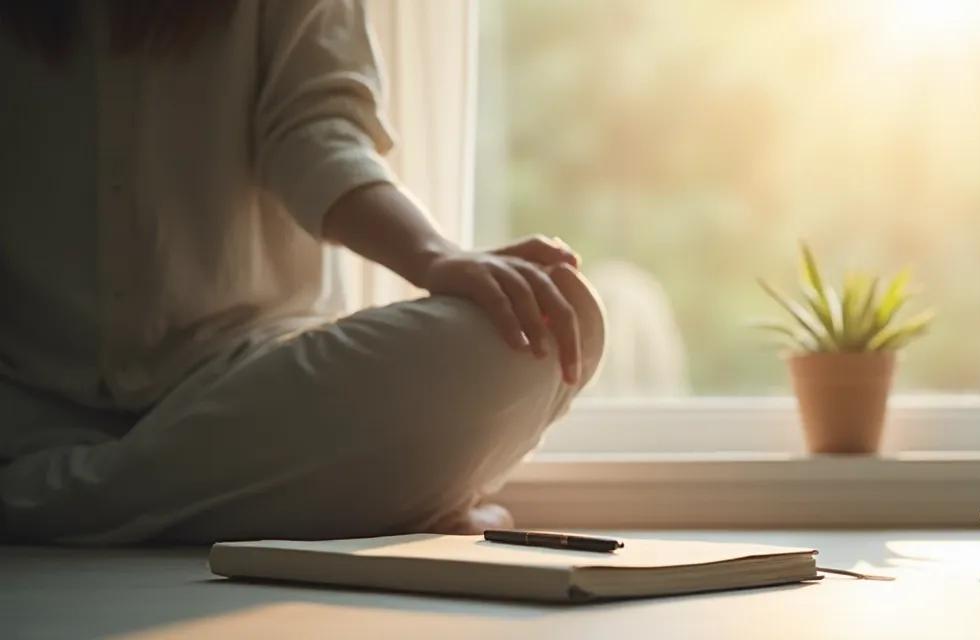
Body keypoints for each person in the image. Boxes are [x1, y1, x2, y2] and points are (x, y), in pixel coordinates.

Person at [0, 0, 605, 544]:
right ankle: (345, 505)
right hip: (25, 399)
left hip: (241, 381)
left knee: (550, 326)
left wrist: (436, 256)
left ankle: (39, 505)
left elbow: (316, 132)